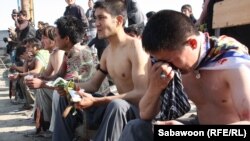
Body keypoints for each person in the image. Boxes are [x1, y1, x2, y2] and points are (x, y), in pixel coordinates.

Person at [119, 9, 250, 141]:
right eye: (160, 60)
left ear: (192, 43)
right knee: (136, 127)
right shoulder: (174, 62)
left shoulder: (232, 62)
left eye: (170, 60)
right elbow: (145, 114)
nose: (168, 66)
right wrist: (155, 86)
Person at [58, 1, 150, 141]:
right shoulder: (107, 52)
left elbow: (141, 93)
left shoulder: (135, 47)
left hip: (140, 110)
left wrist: (97, 101)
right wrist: (69, 86)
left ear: (118, 20)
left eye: (101, 17)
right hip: (119, 105)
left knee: (116, 105)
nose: (96, 23)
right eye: (95, 18)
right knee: (67, 95)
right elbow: (93, 85)